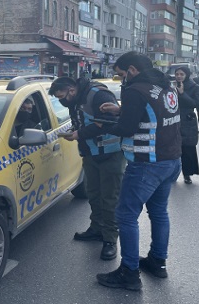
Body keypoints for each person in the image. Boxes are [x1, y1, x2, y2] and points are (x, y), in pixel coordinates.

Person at [94, 51, 181, 291]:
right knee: (159, 213)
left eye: (121, 74)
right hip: (171, 160)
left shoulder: (135, 90)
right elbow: (151, 113)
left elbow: (127, 128)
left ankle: (129, 272)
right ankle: (157, 262)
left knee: (125, 216)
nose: (121, 78)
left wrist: (104, 124)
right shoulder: (166, 87)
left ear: (132, 70)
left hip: (146, 163)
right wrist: (119, 109)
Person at [49, 76, 125, 261]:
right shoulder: (76, 99)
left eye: (62, 97)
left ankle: (109, 240)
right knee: (93, 194)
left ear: (72, 90)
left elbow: (110, 122)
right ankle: (96, 228)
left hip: (110, 154)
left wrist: (78, 134)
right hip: (91, 154)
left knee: (109, 198)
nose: (62, 101)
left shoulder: (98, 95)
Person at [174, 66, 199, 184]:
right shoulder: (171, 86)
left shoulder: (196, 87)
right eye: (177, 74)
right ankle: (172, 174)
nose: (179, 76)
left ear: (187, 75)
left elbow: (195, 103)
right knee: (172, 148)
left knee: (187, 147)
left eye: (181, 74)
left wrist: (182, 93)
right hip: (173, 119)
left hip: (187, 120)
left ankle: (187, 174)